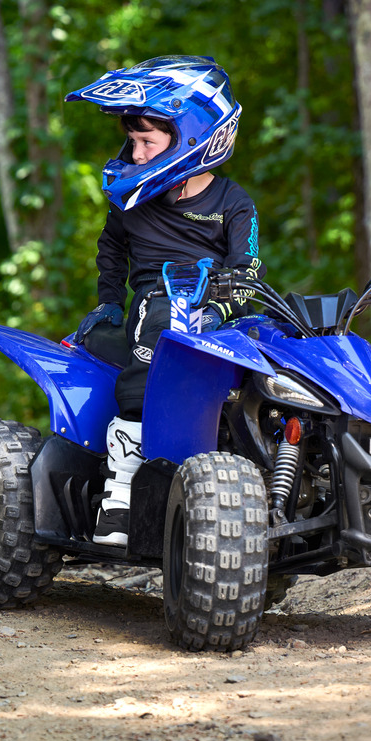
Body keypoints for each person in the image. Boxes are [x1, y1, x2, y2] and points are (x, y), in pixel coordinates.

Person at [66, 55, 261, 548]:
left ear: (193, 140)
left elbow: (248, 269)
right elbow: (110, 252)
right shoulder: (132, 201)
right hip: (158, 304)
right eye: (132, 141)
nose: (134, 153)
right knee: (161, 313)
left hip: (221, 306)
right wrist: (108, 301)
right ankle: (119, 497)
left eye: (147, 142)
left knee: (282, 338)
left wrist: (222, 305)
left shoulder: (232, 202)